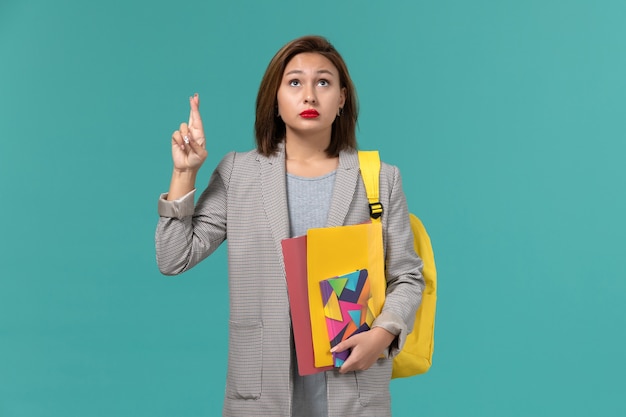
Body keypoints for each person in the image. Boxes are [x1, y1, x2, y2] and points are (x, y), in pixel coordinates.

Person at [155, 35, 424, 417]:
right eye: (295, 82)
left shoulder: (380, 179)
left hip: (353, 393)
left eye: (324, 82)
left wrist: (382, 336)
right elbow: (173, 257)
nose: (309, 95)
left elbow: (408, 277)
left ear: (343, 98)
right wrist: (184, 173)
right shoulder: (238, 173)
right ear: (275, 100)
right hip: (261, 396)